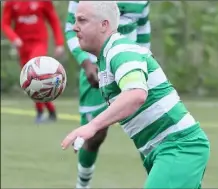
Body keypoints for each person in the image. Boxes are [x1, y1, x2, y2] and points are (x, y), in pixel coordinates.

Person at [61, 1, 210, 189]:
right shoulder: (107, 58)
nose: (74, 27)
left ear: (104, 25)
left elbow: (136, 94)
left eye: (82, 20)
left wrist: (92, 126)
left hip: (179, 147)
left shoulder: (120, 52)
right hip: (162, 151)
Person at [64, 1, 151, 188]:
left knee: (150, 132)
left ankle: (162, 182)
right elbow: (71, 29)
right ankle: (82, 185)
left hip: (132, 68)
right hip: (95, 68)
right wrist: (85, 62)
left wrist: (145, 61)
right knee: (93, 137)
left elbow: (143, 28)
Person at [1, 0, 65, 123]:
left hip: (39, 43)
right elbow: (5, 24)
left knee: (35, 72)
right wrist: (14, 38)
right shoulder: (11, 2)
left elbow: (53, 20)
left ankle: (45, 112)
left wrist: (59, 43)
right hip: (22, 46)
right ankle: (45, 111)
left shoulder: (43, 2)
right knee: (29, 80)